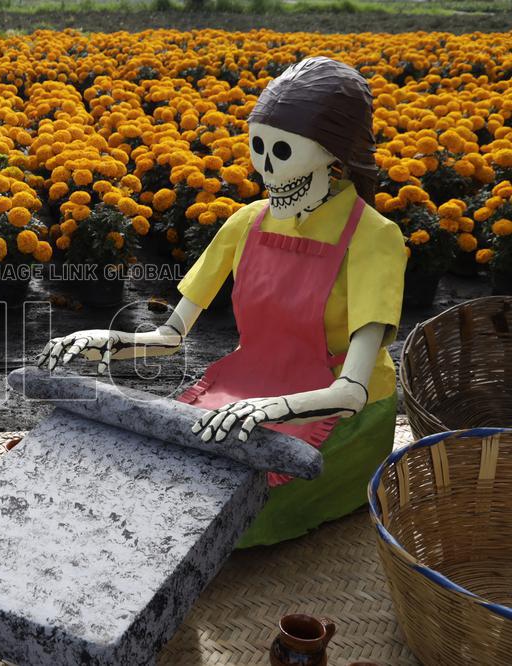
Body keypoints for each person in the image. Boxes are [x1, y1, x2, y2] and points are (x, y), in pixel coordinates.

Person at [39, 57, 407, 547]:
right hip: (245, 388)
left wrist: (267, 411)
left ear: (332, 153)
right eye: (258, 147)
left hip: (334, 412)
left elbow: (351, 391)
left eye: (282, 150)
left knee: (215, 518)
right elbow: (168, 338)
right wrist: (102, 342)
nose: (266, 165)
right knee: (164, 478)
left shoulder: (374, 237)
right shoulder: (246, 222)